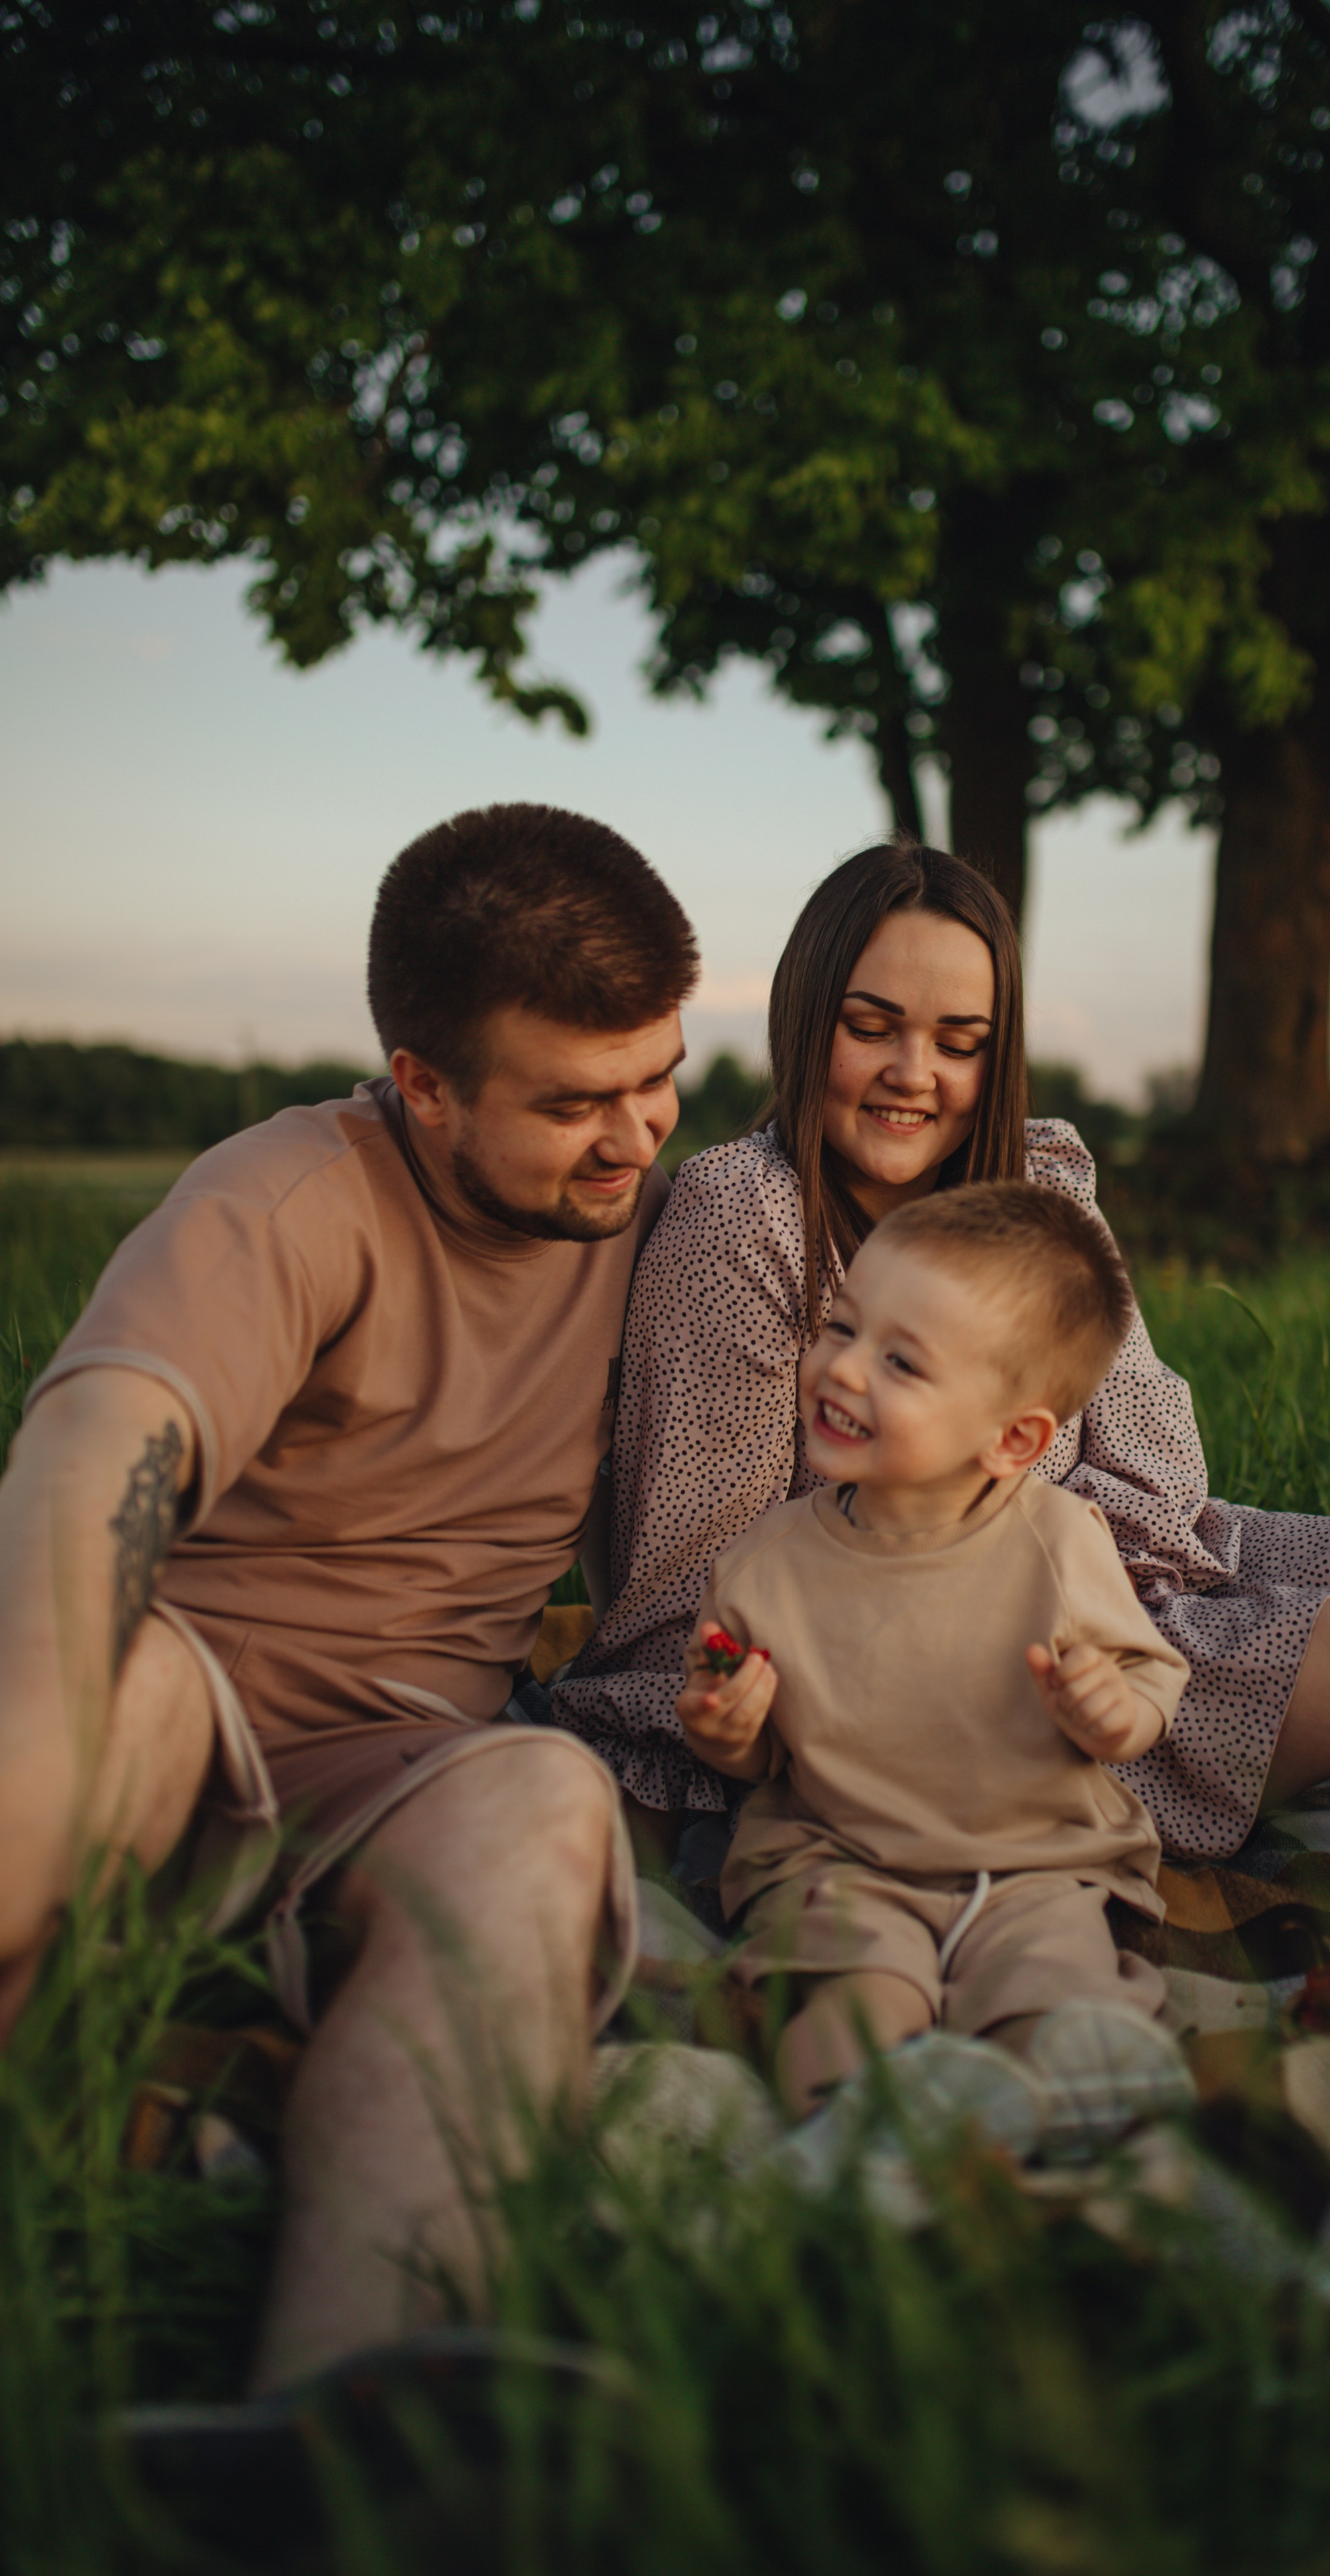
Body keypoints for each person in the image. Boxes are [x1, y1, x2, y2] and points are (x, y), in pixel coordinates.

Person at [555, 839, 1330, 1863]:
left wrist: (1127, 1577)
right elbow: (687, 1605)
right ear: (808, 1019)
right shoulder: (744, 1218)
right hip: (947, 1663)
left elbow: (1162, 1458)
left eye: (960, 1042)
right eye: (873, 1029)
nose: (917, 1075)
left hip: (1114, 1569)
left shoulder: (1031, 1184)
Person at [0, 802, 697, 2392]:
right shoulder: (287, 1200)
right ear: (425, 1088)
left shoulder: (672, 1224)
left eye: (662, 1075)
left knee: (542, 1794)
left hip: (394, 1766)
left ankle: (349, 2411)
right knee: (131, 1699)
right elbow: (99, 1459)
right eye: (577, 1100)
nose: (637, 1133)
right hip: (162, 1707)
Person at [677, 1181, 1189, 2127]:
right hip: (847, 1861)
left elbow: (1148, 1675)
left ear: (1014, 1439)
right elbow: (758, 1750)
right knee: (860, 2003)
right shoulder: (765, 1564)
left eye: (902, 1363)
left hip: (1035, 1864)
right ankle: (850, 2134)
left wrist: (1115, 1714)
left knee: (1053, 1989)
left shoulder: (1060, 1537)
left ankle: (1078, 2109)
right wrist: (725, 1729)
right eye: (842, 1327)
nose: (844, 1370)